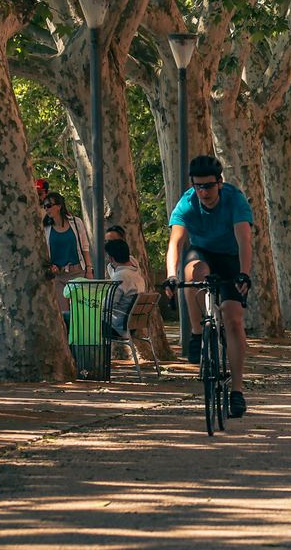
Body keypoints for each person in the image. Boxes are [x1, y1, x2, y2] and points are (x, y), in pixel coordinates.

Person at [163, 155, 254, 418]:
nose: (204, 192)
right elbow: (176, 243)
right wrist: (170, 275)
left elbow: (244, 240)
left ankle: (236, 391)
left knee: (234, 319)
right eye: (198, 186)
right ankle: (196, 333)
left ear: (220, 183)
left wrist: (244, 274)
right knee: (193, 273)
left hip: (229, 257)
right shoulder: (187, 203)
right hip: (201, 253)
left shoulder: (234, 199)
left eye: (209, 186)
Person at [43, 193, 93, 298]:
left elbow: (85, 247)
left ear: (59, 206)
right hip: (58, 276)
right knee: (64, 313)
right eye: (44, 206)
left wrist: (89, 269)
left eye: (49, 206)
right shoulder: (45, 228)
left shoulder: (76, 222)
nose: (46, 209)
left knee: (80, 311)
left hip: (78, 273)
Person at [105, 238, 145, 335]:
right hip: (132, 324)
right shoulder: (137, 276)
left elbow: (107, 305)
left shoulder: (120, 276)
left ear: (111, 259)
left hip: (117, 325)